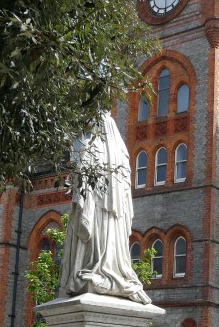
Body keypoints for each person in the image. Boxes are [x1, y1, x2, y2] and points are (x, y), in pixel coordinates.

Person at [58, 110, 151, 304]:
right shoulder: (121, 153)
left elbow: (82, 186)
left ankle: (95, 268)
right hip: (113, 218)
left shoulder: (91, 146)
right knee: (102, 242)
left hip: (98, 212)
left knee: (93, 242)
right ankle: (105, 269)